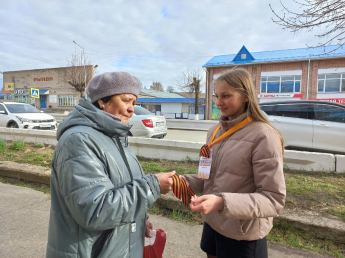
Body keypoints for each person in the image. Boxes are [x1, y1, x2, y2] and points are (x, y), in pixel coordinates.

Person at [46, 71, 175, 258]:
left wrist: (138, 220)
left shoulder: (114, 136)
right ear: (102, 101)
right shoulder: (79, 140)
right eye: (125, 100)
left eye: (134, 103)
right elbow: (94, 210)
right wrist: (152, 185)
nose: (131, 109)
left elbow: (122, 187)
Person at [183, 68, 286, 258]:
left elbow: (273, 199)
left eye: (226, 96)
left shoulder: (263, 135)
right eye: (216, 96)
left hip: (242, 234)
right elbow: (207, 177)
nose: (218, 102)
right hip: (213, 223)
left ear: (246, 96)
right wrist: (180, 181)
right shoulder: (215, 131)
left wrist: (222, 202)